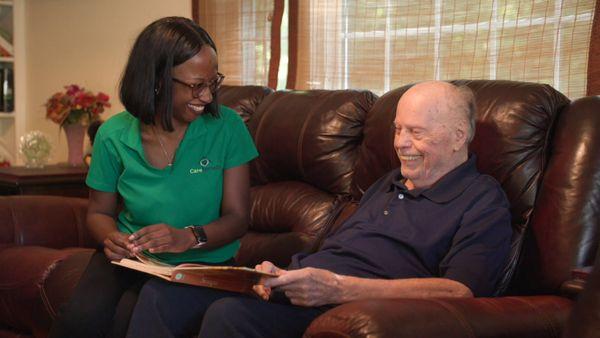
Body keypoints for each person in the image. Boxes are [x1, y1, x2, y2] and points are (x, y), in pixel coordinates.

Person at [126, 81, 512, 338]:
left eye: (417, 132)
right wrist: (280, 275)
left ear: (459, 136)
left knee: (230, 316)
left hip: (350, 305)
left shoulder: (481, 200)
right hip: (302, 286)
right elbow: (336, 253)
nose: (401, 144)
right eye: (397, 129)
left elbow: (461, 292)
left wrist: (339, 288)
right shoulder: (390, 181)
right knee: (164, 294)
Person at [49, 16, 257, 338]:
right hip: (133, 259)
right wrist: (111, 239)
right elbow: (99, 213)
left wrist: (187, 237)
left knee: (132, 315)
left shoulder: (227, 127)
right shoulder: (113, 135)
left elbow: (238, 217)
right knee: (81, 319)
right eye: (196, 85)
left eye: (213, 82)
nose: (207, 96)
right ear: (158, 80)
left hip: (200, 265)